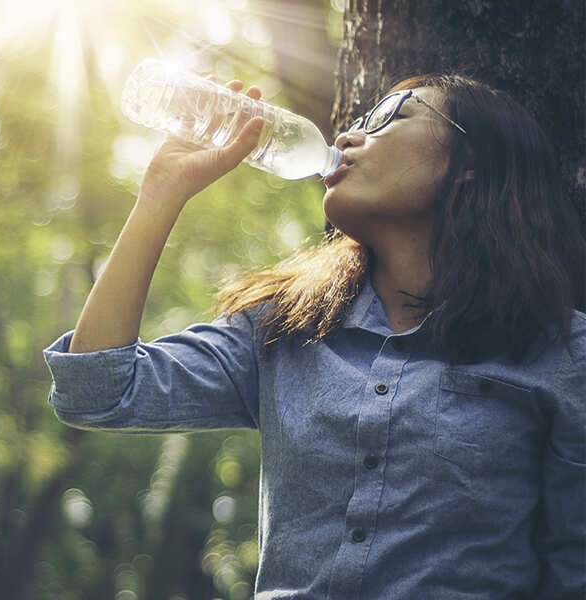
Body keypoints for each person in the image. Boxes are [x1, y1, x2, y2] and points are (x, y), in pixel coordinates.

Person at [43, 73, 586, 599]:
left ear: (469, 164)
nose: (348, 135)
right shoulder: (286, 327)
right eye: (357, 121)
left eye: (389, 119)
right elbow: (97, 392)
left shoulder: (561, 352)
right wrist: (160, 194)